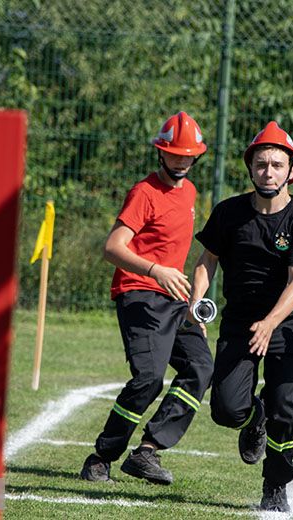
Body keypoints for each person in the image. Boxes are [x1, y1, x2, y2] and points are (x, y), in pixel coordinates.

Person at [190, 121, 293, 512]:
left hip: (286, 325)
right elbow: (205, 261)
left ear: (290, 170)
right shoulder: (229, 212)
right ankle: (253, 414)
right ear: (250, 168)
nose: (268, 171)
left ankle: (275, 484)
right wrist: (197, 302)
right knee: (227, 411)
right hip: (239, 323)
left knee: (287, 411)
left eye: (277, 165)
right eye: (261, 164)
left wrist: (271, 323)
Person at [80, 111, 213, 485]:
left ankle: (148, 451)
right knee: (150, 378)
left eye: (188, 155)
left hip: (175, 301)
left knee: (200, 368)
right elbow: (112, 248)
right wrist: (156, 271)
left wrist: (190, 307)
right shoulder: (143, 192)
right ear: (160, 152)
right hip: (139, 292)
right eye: (174, 154)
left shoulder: (189, 192)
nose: (182, 161)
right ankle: (101, 457)